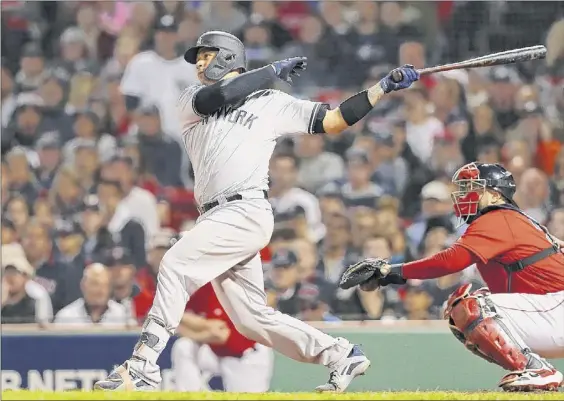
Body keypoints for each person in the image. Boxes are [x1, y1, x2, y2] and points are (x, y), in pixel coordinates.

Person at [95, 30, 418, 392]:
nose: (200, 63)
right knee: (251, 319)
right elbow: (220, 96)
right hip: (216, 215)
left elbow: (334, 120)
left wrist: (381, 89)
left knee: (175, 264)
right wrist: (272, 70)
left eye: (206, 55)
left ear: (229, 57)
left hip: (245, 209)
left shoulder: (271, 102)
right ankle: (341, 353)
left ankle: (142, 366)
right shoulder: (192, 98)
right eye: (198, 58)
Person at [340, 162, 564, 392]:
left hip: (556, 309)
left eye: (473, 187)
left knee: (471, 306)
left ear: (495, 194)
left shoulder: (499, 217)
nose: (465, 194)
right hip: (550, 310)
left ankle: (538, 370)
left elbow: (451, 260)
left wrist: (391, 271)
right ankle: (534, 371)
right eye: (464, 188)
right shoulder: (511, 219)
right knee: (462, 309)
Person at [171, 282, 274, 392]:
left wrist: (195, 329)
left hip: (246, 356)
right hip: (215, 352)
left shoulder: (237, 289)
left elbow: (220, 336)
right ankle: (188, 395)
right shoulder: (206, 287)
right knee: (184, 346)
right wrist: (203, 325)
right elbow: (177, 320)